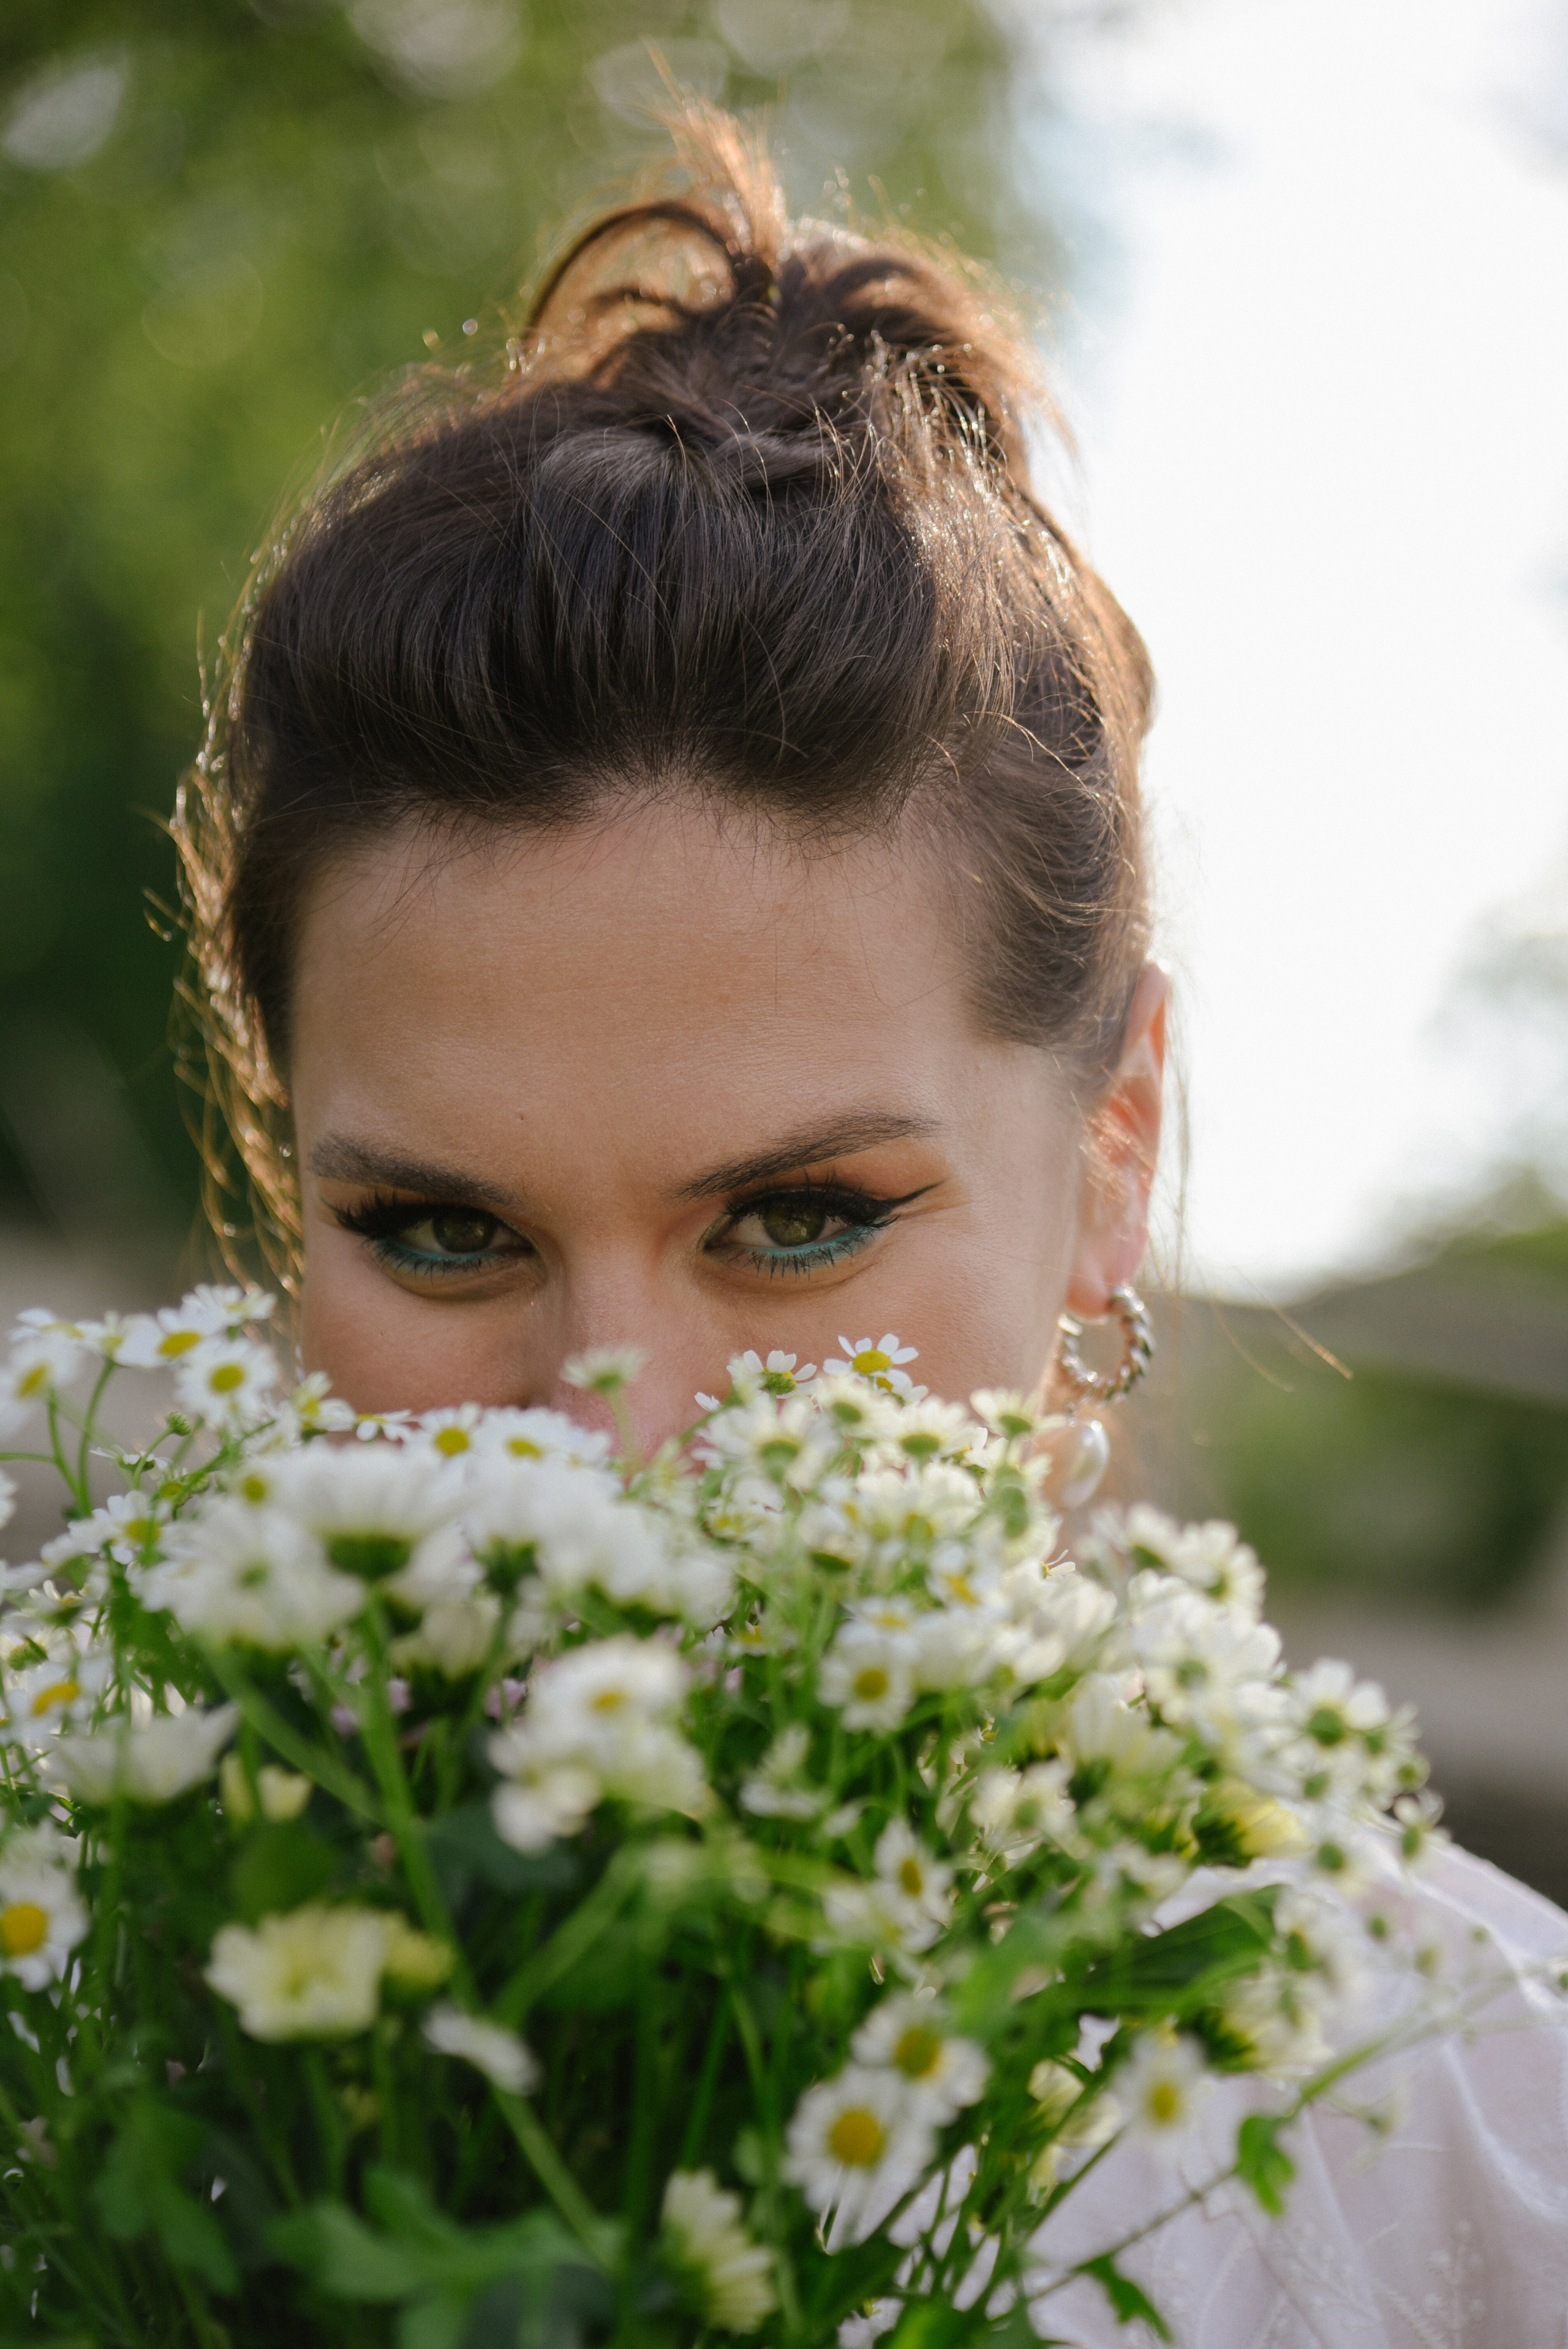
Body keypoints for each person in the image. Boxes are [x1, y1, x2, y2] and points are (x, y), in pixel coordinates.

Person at [175, 108, 1568, 2348]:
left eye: (800, 1220)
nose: (605, 1455)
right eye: (442, 1232)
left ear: (1114, 1150)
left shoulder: (1491, 2153)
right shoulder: (119, 2051)